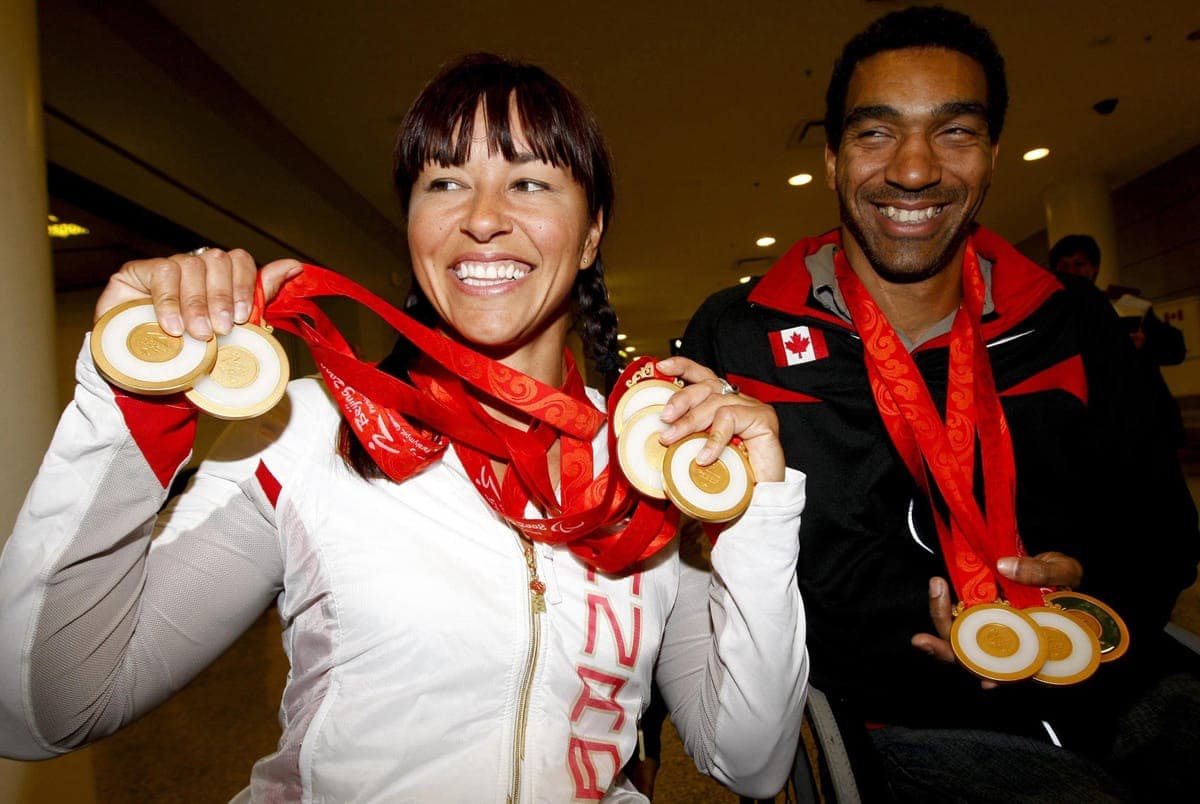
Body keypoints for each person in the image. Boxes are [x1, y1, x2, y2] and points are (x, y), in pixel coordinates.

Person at [0, 54, 809, 802]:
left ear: (592, 231)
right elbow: (41, 711)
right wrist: (132, 398)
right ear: (413, 223)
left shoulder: (653, 460)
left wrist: (760, 514)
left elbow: (749, 758)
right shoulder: (308, 430)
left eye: (530, 183)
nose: (483, 219)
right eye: (445, 182)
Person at [682, 6, 1200, 801]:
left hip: (1113, 689)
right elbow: (705, 582)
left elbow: (1164, 533)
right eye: (876, 132)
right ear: (831, 157)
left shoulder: (1068, 321)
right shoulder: (740, 336)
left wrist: (1083, 578)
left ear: (991, 156)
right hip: (901, 728)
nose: (915, 170)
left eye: (954, 132)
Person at [1049, 233, 1186, 366]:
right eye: (1064, 266)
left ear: (1095, 268)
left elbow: (1176, 351)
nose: (1071, 271)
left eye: (1079, 264)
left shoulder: (1124, 303)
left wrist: (1146, 343)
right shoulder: (1052, 316)